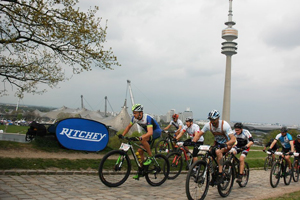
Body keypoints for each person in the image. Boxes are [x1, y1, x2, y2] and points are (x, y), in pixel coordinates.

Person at [193, 109, 236, 185]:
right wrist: (194, 141)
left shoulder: (224, 125)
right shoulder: (208, 125)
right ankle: (212, 175)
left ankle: (220, 173)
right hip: (217, 143)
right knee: (208, 154)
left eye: (214, 120)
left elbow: (233, 139)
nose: (212, 122)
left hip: (227, 143)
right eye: (210, 120)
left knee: (218, 152)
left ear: (218, 119)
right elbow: (199, 134)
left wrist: (226, 144)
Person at [120, 104, 162, 179]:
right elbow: (128, 127)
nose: (134, 114)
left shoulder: (147, 118)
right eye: (133, 113)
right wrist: (122, 135)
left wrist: (141, 137)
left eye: (135, 113)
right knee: (139, 151)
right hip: (148, 133)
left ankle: (150, 157)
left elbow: (150, 133)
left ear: (141, 113)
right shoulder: (134, 119)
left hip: (156, 132)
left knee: (143, 139)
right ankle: (142, 170)